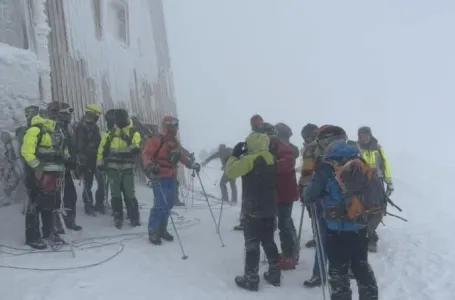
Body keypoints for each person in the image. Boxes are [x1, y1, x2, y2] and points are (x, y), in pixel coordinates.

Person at [303, 125, 379, 300]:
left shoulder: (325, 167)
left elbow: (310, 195)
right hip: (360, 225)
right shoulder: (360, 161)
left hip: (335, 229)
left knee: (338, 271)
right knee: (361, 265)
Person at [226, 132, 281, 291]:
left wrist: (234, 156)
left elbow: (230, 172)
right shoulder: (271, 158)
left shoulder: (249, 160)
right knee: (269, 241)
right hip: (270, 207)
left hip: (253, 208)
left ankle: (251, 278)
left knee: (252, 243)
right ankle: (274, 273)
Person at [142, 116, 200, 245]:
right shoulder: (156, 140)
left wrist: (192, 165)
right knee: (160, 204)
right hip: (158, 176)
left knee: (169, 203)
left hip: (170, 176)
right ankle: (153, 230)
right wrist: (150, 166)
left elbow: (182, 157)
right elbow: (146, 154)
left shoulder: (174, 142)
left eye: (176, 125)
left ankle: (162, 229)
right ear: (167, 126)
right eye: (173, 125)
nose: (176, 128)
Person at [21, 102, 72, 249]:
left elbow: (63, 149)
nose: (56, 113)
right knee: (35, 204)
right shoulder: (35, 129)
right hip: (37, 173)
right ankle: (33, 237)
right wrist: (37, 167)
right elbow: (26, 152)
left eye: (58, 111)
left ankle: (50, 232)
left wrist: (68, 160)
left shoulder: (58, 130)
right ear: (45, 112)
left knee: (51, 204)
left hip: (54, 173)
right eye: (53, 110)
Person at [97, 108, 141, 229]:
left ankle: (134, 216)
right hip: (112, 168)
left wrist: (126, 138)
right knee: (115, 193)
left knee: (129, 192)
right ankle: (118, 216)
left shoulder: (133, 133)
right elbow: (101, 150)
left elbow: (136, 147)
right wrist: (100, 164)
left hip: (127, 167)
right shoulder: (109, 134)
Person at [268, 123, 299, 270]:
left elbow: (284, 165)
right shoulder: (282, 147)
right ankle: (292, 253)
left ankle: (289, 256)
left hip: (284, 192)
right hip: (282, 191)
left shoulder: (284, 148)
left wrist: (268, 164)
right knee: (285, 222)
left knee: (284, 224)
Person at [357, 126, 393, 252]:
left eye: (365, 135)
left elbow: (385, 164)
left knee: (379, 210)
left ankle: (370, 234)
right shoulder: (356, 149)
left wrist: (389, 181)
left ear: (370, 135)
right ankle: (369, 236)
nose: (363, 137)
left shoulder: (378, 148)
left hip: (377, 183)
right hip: (362, 184)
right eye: (360, 135)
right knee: (364, 211)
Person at [75, 104, 104, 215]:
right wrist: (81, 161)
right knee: (88, 183)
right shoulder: (80, 127)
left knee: (101, 182)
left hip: (96, 159)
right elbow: (79, 145)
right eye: (96, 116)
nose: (97, 118)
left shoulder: (95, 127)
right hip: (86, 161)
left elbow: (99, 142)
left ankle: (99, 203)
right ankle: (88, 204)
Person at [298, 123, 319, 249]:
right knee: (312, 214)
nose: (306, 138)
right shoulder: (307, 148)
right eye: (304, 136)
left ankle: (320, 236)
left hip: (314, 184)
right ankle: (317, 236)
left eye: (308, 136)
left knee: (317, 213)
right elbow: (305, 168)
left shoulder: (318, 148)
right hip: (307, 183)